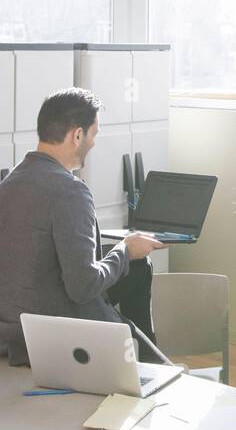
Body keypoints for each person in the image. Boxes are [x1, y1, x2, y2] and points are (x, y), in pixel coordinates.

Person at [0, 89, 168, 365]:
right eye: (95, 134)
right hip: (52, 331)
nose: (94, 143)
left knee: (136, 268)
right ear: (77, 135)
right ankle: (149, 364)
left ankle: (148, 359)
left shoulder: (9, 183)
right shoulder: (70, 191)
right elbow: (83, 286)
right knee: (136, 264)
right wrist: (125, 250)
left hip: (13, 329)